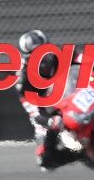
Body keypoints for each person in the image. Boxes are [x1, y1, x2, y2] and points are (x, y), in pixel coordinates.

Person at [15, 29, 83, 171]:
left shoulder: (66, 55)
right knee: (43, 159)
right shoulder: (23, 80)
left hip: (78, 99)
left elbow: (87, 62)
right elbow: (33, 111)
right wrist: (50, 120)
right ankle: (82, 154)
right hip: (52, 113)